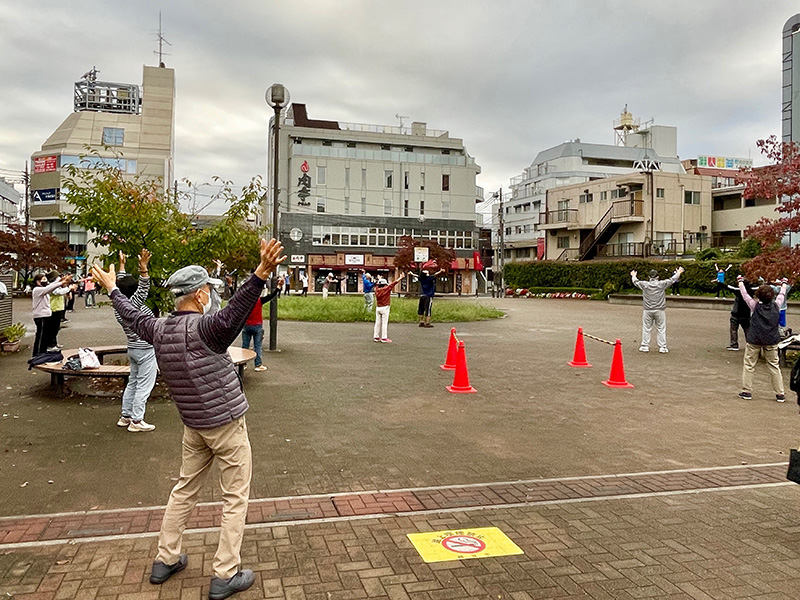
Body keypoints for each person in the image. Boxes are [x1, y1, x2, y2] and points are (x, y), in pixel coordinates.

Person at [91, 238, 286, 599]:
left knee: (184, 490)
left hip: (193, 426)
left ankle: (166, 558)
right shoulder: (207, 329)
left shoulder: (159, 329)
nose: (211, 296)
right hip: (225, 424)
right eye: (208, 290)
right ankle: (225, 573)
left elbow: (132, 315)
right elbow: (235, 312)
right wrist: (260, 273)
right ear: (198, 296)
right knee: (234, 498)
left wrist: (113, 288)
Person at [114, 250, 157, 432]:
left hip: (133, 348)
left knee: (133, 382)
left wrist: (122, 265)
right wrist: (144, 269)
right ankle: (137, 420)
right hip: (146, 349)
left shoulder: (119, 305)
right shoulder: (134, 305)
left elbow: (118, 286)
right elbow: (143, 288)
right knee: (144, 386)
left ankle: (126, 416)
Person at [738, 276, 788, 401]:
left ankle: (746, 391)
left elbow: (745, 295)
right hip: (771, 340)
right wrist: (783, 283)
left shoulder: (754, 306)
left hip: (754, 339)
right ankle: (780, 393)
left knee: (749, 365)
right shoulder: (777, 306)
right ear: (772, 296)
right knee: (774, 366)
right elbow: (782, 294)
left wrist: (740, 282)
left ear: (758, 296)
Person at [631, 267, 684, 353]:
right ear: (657, 277)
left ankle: (645, 345)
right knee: (661, 328)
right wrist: (678, 273)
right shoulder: (661, 284)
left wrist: (634, 275)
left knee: (646, 328)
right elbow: (672, 280)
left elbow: (635, 282)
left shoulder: (645, 284)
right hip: (660, 310)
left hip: (647, 310)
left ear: (649, 277)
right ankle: (662, 347)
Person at [241, 275, 278, 372]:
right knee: (257, 346)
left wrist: (231, 285)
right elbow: (271, 296)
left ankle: (243, 364)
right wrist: (278, 288)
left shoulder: (244, 301)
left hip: (246, 325)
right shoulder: (259, 301)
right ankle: (258, 364)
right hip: (257, 325)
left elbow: (235, 296)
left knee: (245, 346)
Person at [31, 273, 72, 356]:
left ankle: (43, 352)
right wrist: (62, 283)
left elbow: (51, 285)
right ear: (37, 282)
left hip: (46, 315)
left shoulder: (43, 289)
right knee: (41, 336)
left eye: (45, 279)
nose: (45, 281)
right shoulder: (37, 290)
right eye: (43, 280)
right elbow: (50, 288)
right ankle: (37, 354)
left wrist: (62, 280)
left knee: (45, 336)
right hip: (40, 316)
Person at [373, 272, 405, 343]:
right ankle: (384, 338)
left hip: (378, 307)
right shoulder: (386, 289)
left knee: (377, 323)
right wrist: (400, 278)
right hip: (385, 307)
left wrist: (379, 279)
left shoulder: (376, 289)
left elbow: (377, 285)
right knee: (384, 323)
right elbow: (393, 284)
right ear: (385, 284)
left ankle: (376, 336)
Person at [415, 262, 445, 328]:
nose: (428, 272)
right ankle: (427, 323)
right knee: (428, 309)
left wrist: (411, 274)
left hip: (422, 295)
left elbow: (417, 276)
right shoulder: (429, 278)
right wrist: (440, 271)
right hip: (428, 296)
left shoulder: (422, 279)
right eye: (427, 272)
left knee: (421, 309)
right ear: (426, 274)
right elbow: (435, 274)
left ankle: (421, 322)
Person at [725, 280, 752, 351]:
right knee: (747, 330)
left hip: (736, 313)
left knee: (733, 330)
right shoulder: (751, 291)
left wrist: (720, 282)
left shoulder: (738, 291)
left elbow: (729, 287)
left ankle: (734, 344)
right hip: (746, 314)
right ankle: (750, 344)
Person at [47, 271, 71, 351]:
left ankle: (55, 343)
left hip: (58, 308)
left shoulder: (57, 285)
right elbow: (58, 292)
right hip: (53, 308)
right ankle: (51, 344)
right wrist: (69, 288)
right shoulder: (51, 286)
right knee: (52, 328)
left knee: (56, 327)